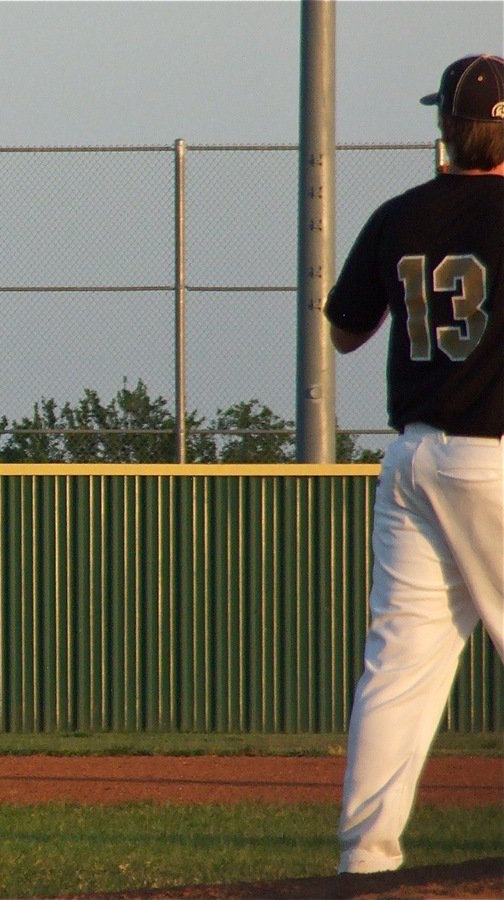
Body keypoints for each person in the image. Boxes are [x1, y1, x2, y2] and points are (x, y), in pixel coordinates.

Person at [324, 53, 503, 875]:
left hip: (413, 462)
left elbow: (345, 330)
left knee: (398, 665)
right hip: (495, 465)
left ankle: (366, 856)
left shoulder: (402, 214)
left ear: (446, 131)